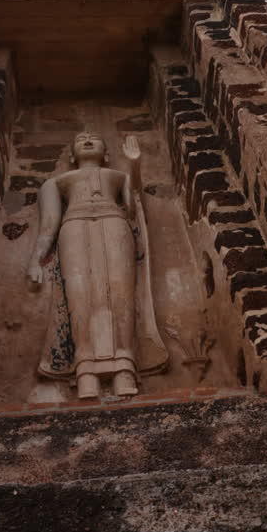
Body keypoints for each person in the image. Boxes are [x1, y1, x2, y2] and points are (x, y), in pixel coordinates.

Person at [28, 131, 164, 398]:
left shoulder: (117, 176)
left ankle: (125, 368)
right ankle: (85, 371)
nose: (87, 140)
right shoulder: (57, 182)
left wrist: (134, 165)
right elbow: (48, 225)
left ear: (106, 152)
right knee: (80, 297)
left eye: (94, 138)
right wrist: (35, 260)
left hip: (114, 224)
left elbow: (132, 208)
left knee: (120, 294)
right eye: (80, 138)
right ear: (71, 154)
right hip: (74, 228)